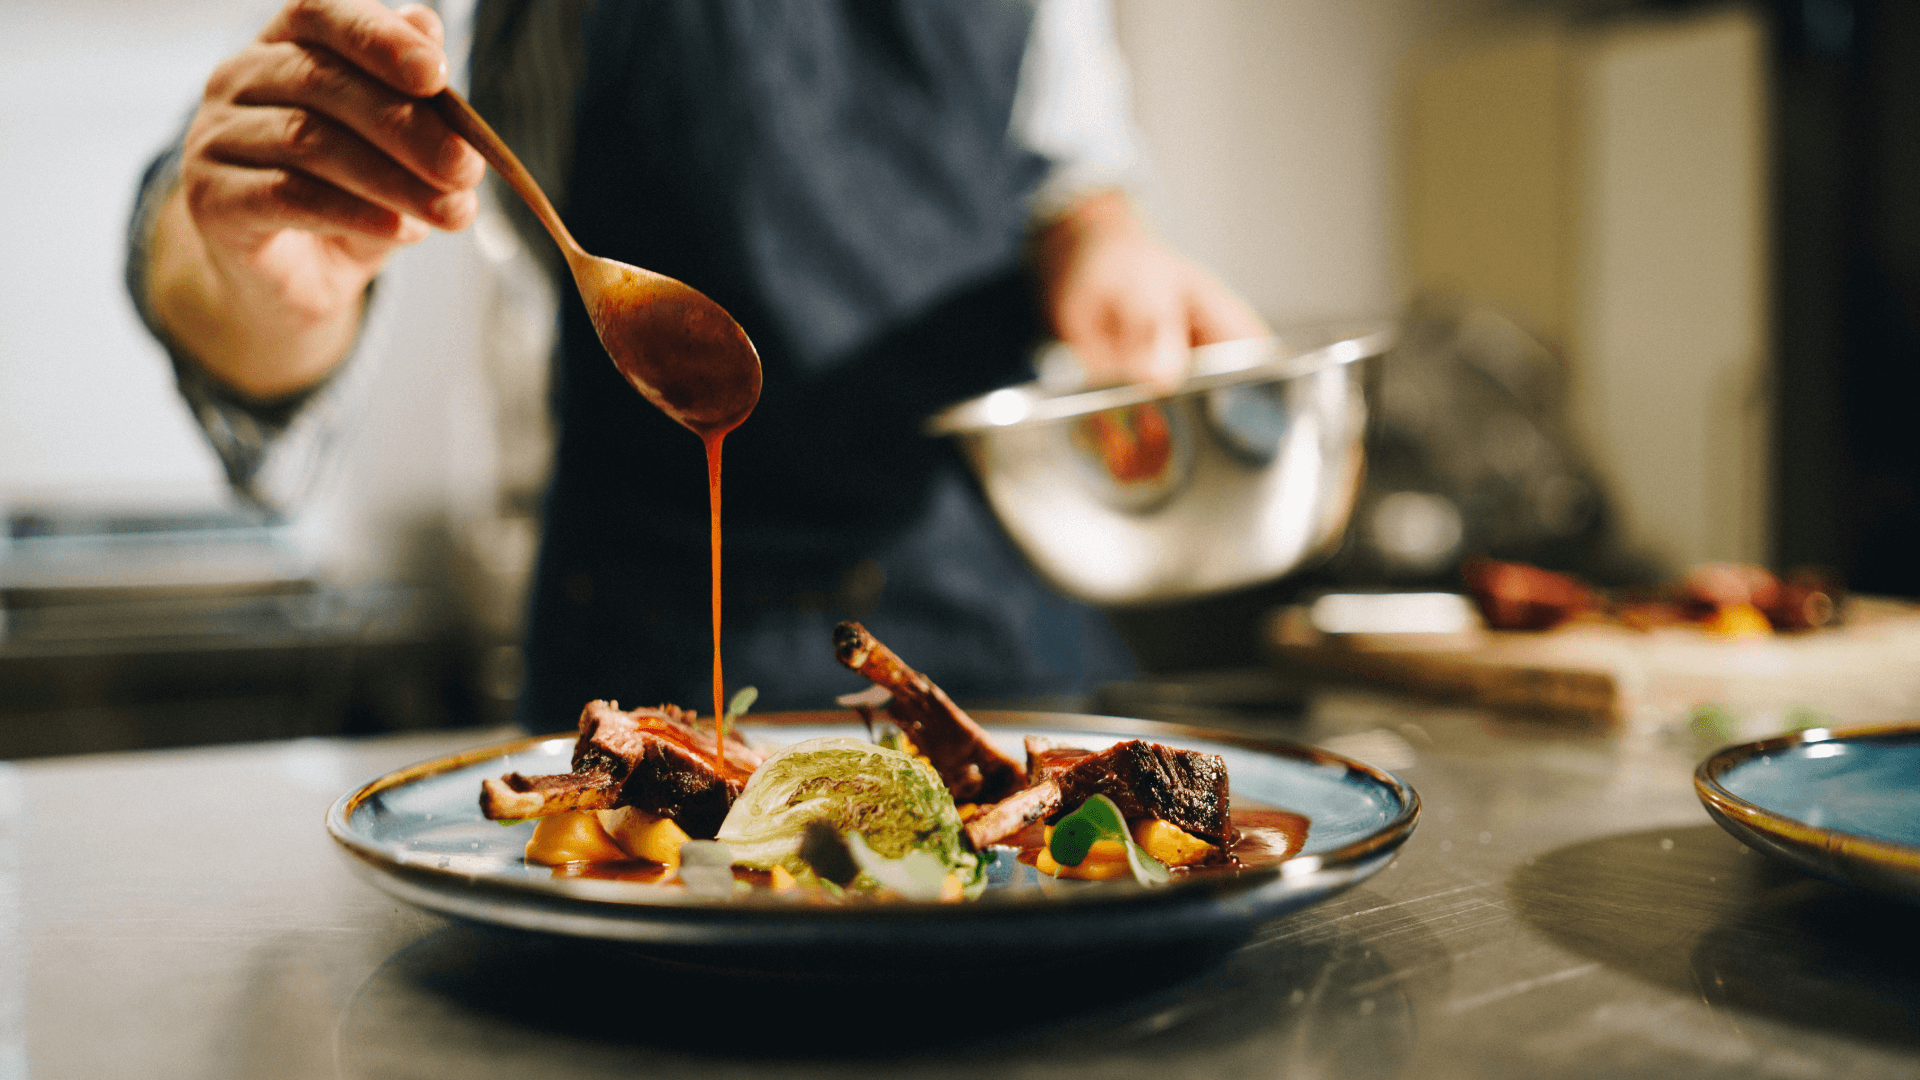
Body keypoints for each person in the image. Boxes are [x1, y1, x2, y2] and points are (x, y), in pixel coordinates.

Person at [129, 0, 1266, 722]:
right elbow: (237, 190)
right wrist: (252, 272)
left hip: (997, 649)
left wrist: (1104, 248)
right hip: (653, 670)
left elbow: (1067, 169)